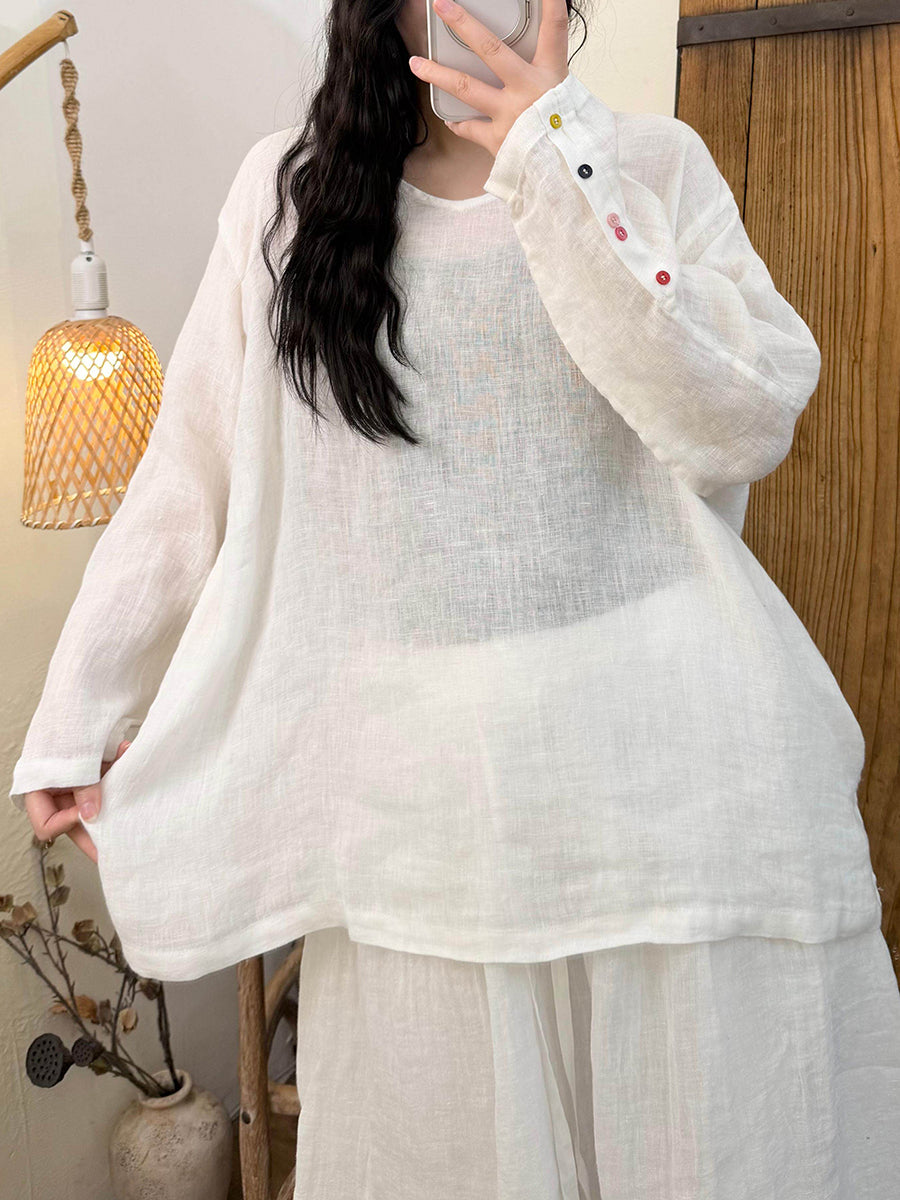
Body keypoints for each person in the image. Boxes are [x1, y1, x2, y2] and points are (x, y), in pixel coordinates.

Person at [12, 0, 900, 1195]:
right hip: (420, 823)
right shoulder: (289, 200)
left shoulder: (648, 165)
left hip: (676, 798)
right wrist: (77, 712)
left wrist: (556, 157)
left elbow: (742, 417)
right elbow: (189, 474)